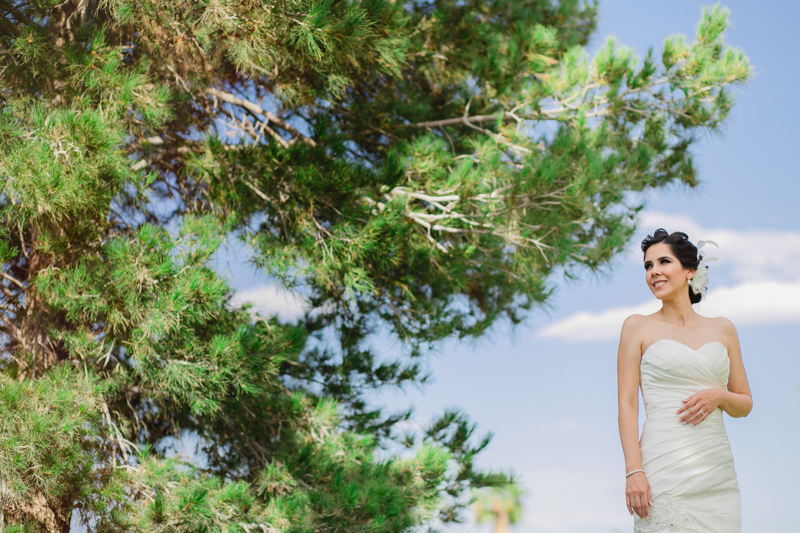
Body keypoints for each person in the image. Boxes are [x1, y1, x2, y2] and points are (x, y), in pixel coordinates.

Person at [617, 229, 752, 532]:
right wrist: (633, 471)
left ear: (690, 271)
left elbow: (744, 403)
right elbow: (626, 405)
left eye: (663, 262)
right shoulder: (637, 327)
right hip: (662, 464)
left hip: (716, 473)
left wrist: (720, 396)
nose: (654, 272)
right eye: (648, 266)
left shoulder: (723, 329)